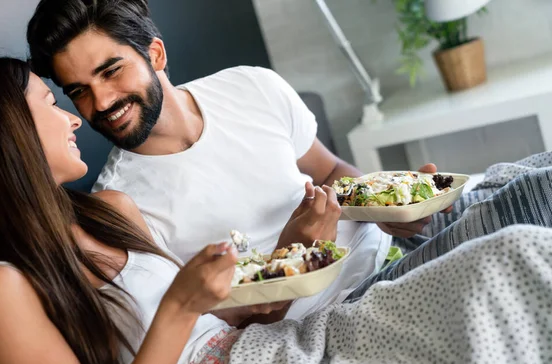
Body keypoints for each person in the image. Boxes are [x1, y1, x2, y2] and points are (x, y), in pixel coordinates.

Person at [0, 58, 552, 364]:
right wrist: (180, 308)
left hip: (272, 349)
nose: (74, 116)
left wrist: (300, 243)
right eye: (54, 101)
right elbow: (183, 328)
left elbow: (238, 316)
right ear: (7, 136)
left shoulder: (109, 212)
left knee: (512, 241)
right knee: (514, 258)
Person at [25, 0, 448, 324]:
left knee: (510, 198)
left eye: (111, 71)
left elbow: (332, 171)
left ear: (155, 55)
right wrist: (291, 251)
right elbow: (206, 328)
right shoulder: (119, 207)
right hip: (333, 316)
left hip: (393, 252)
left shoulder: (252, 85)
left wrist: (392, 208)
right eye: (78, 91)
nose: (99, 102)